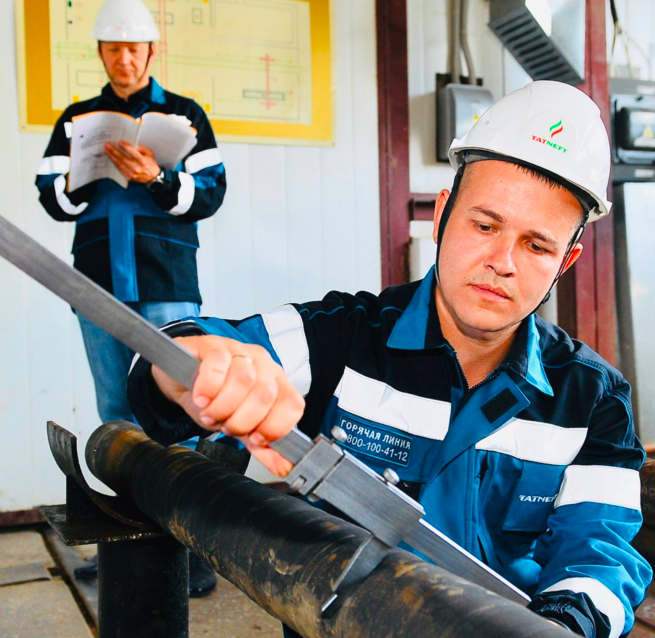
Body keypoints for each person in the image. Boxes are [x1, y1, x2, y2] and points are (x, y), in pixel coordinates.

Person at [127, 81, 651, 637]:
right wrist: (200, 365)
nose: (502, 261)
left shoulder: (592, 399)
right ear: (442, 215)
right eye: (485, 225)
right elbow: (180, 354)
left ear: (566, 260)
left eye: (537, 245)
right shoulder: (343, 339)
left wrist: (564, 625)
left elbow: (602, 552)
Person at [35, 0, 225, 596]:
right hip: (96, 282)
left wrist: (157, 178)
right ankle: (127, 544)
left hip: (166, 278)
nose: (123, 58)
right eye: (113, 48)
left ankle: (190, 549)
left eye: (133, 48)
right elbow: (50, 195)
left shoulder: (185, 116)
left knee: (179, 410)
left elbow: (212, 192)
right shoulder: (76, 119)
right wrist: (80, 176)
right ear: (101, 53)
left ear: (150, 51)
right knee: (116, 411)